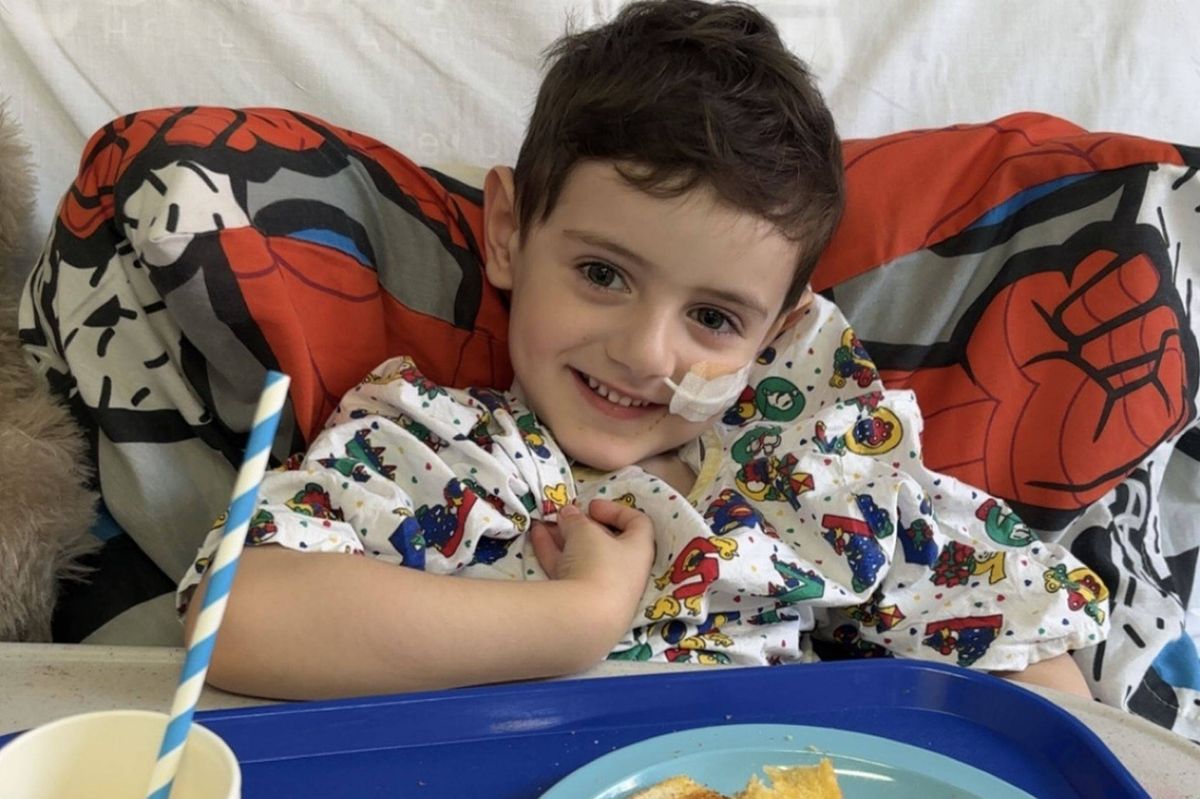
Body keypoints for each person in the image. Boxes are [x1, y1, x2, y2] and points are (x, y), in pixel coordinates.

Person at [180, 0, 1105, 700]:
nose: (642, 350)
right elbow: (232, 618)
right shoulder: (431, 446)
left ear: (776, 335)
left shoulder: (819, 473)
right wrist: (573, 617)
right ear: (507, 232)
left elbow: (1028, 641)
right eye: (603, 274)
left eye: (713, 318)